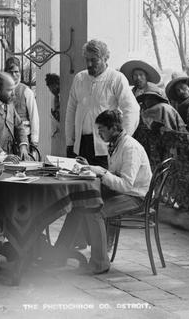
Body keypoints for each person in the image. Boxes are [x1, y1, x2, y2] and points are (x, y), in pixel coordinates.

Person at [54, 109, 152, 275]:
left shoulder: (130, 148)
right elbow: (115, 173)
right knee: (79, 202)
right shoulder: (116, 144)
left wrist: (101, 172)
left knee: (94, 212)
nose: (99, 133)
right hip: (123, 192)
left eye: (102, 129)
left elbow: (126, 185)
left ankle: (100, 264)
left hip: (136, 197)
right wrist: (90, 167)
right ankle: (58, 254)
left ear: (114, 128)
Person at [65, 40, 138, 167]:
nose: (89, 64)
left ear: (105, 58)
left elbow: (131, 110)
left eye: (94, 60)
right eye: (86, 59)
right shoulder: (79, 78)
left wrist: (121, 141)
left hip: (105, 147)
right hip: (81, 145)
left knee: (104, 184)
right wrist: (70, 142)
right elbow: (71, 111)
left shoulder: (116, 79)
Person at [4, 57, 40, 150]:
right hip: (6, 138)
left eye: (16, 72)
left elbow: (34, 116)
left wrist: (34, 140)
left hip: (24, 138)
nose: (14, 75)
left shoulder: (26, 91)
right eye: (10, 72)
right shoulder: (1, 91)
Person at [45, 73, 61, 138]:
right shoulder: (55, 98)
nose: (51, 90)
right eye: (50, 89)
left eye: (53, 87)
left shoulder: (63, 96)